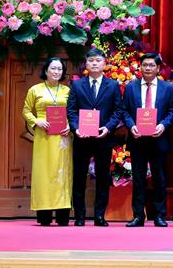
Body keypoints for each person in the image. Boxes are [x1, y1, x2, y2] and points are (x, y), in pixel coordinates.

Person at [66, 48, 122, 226]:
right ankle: (79, 216)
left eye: (98, 60)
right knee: (79, 178)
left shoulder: (113, 85)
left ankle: (100, 216)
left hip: (103, 138)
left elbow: (118, 111)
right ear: (86, 64)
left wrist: (108, 127)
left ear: (104, 63)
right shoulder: (77, 85)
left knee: (103, 178)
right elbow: (71, 110)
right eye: (91, 61)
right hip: (82, 139)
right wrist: (76, 128)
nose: (95, 63)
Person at [121, 52, 173, 227]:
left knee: (159, 179)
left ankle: (159, 215)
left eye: (152, 65)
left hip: (158, 139)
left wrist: (163, 125)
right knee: (138, 179)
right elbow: (124, 110)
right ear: (140, 67)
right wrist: (131, 126)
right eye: (145, 65)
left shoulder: (167, 88)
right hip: (137, 139)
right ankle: (138, 216)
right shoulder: (131, 87)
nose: (148, 68)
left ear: (158, 68)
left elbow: (172, 111)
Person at [23, 56, 72, 226]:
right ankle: (44, 215)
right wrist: (36, 121)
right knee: (43, 173)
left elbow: (73, 112)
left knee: (62, 172)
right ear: (46, 70)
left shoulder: (67, 91)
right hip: (43, 136)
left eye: (60, 69)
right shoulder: (35, 90)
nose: (56, 72)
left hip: (62, 137)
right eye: (53, 68)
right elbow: (26, 111)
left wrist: (70, 125)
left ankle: (62, 214)